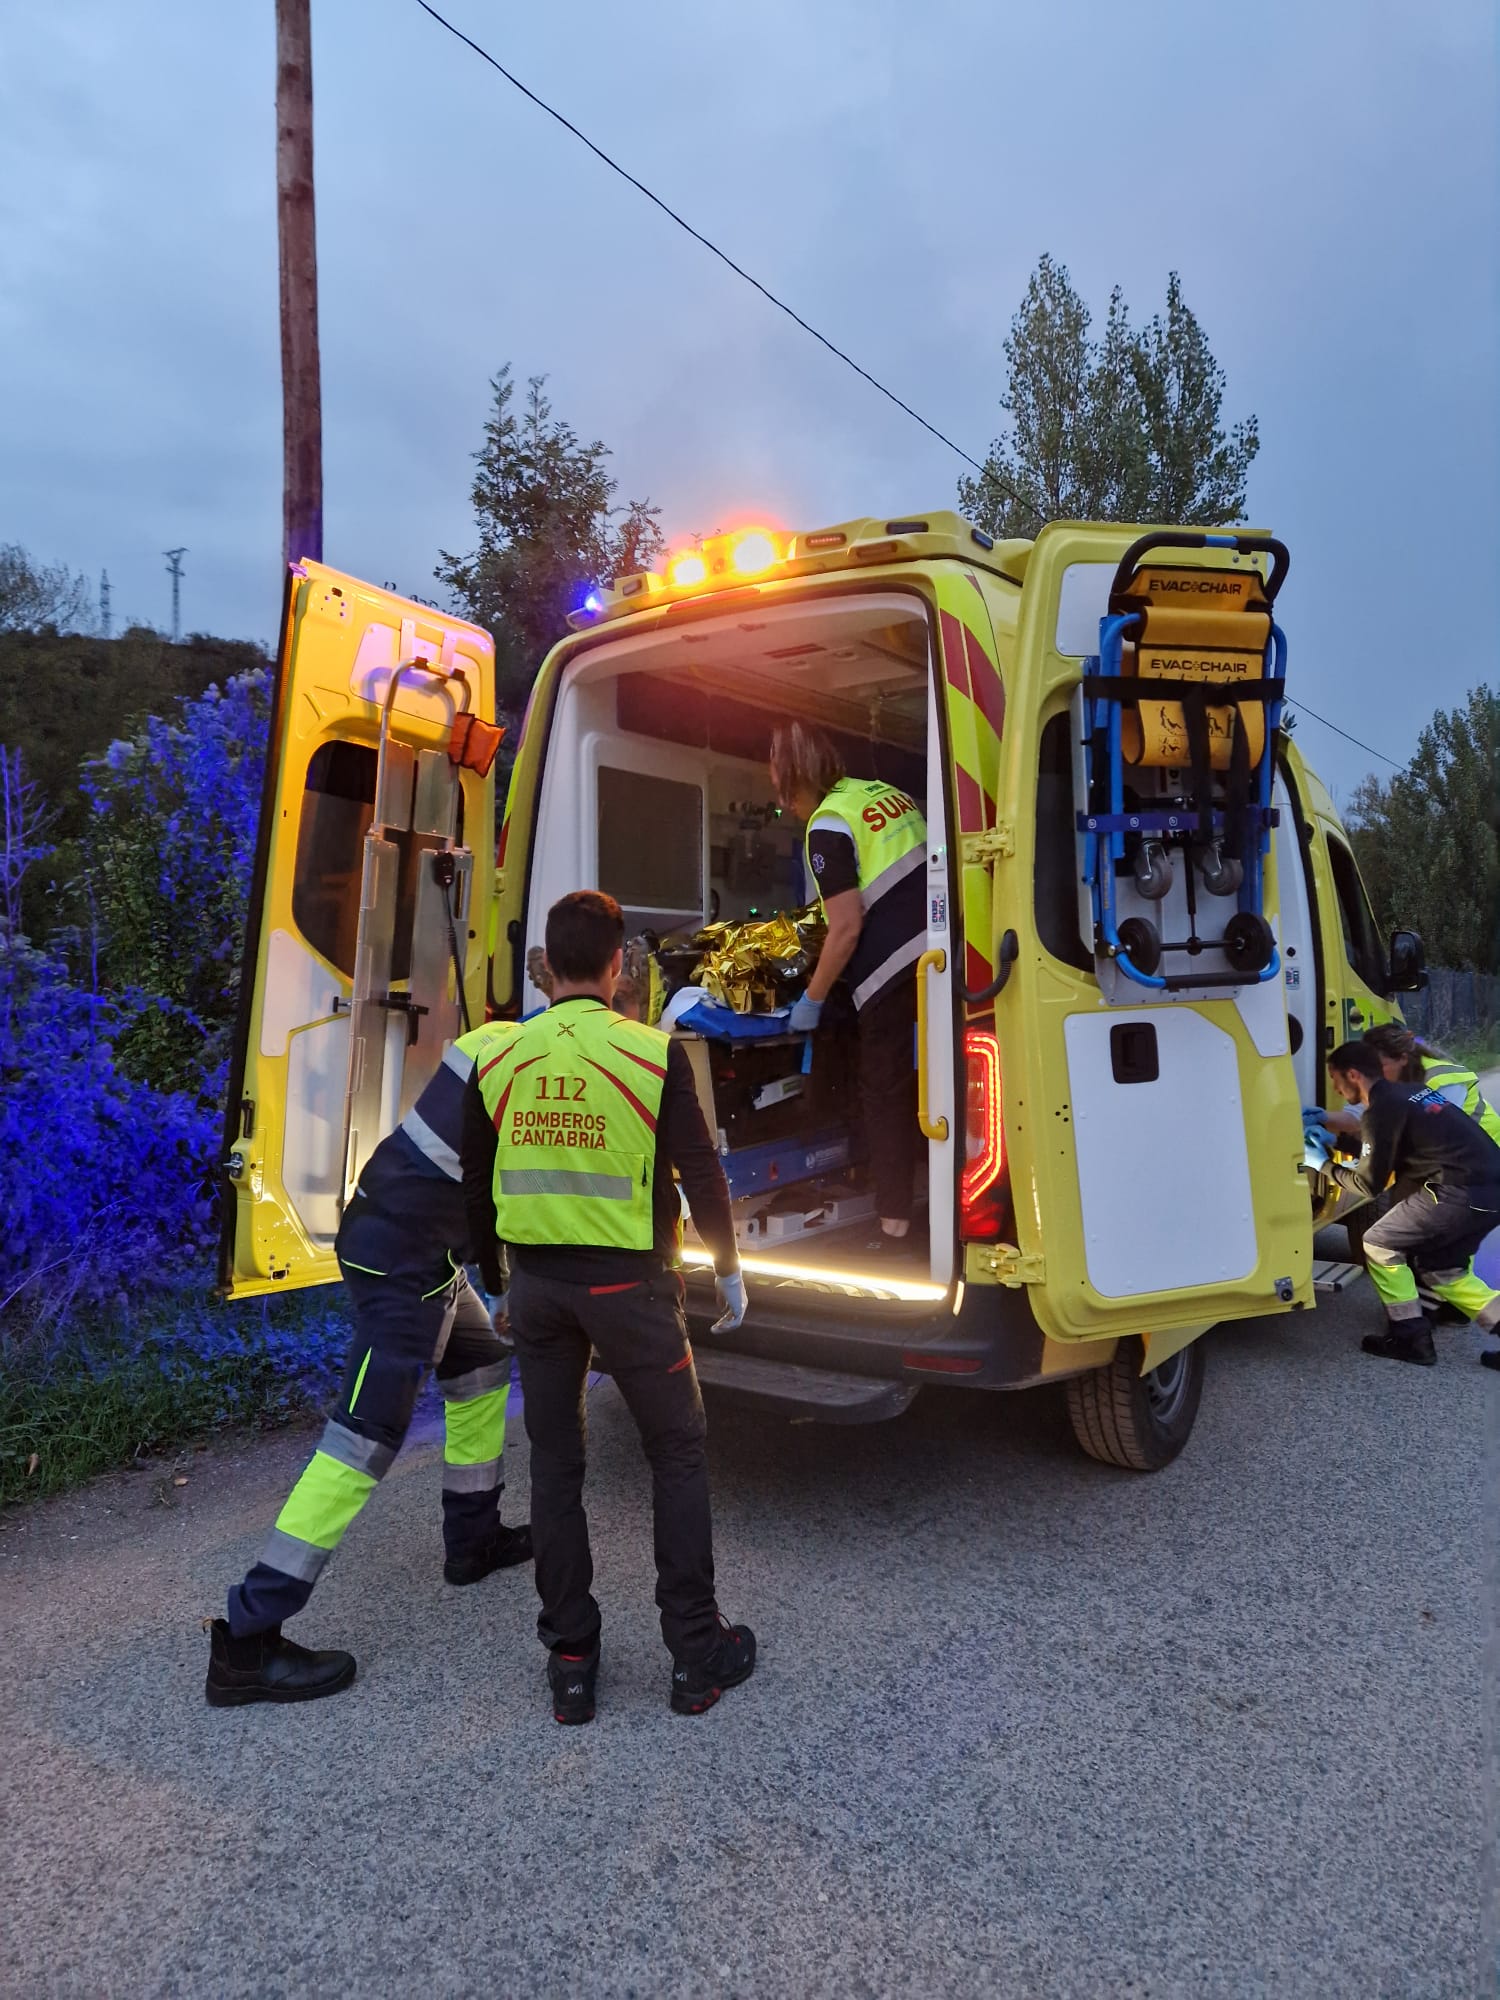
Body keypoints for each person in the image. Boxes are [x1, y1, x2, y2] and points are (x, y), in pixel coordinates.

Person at [463, 890, 754, 1726]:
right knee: (677, 1452)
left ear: (548, 966)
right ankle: (696, 1655)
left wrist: (492, 1280)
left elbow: (476, 1185)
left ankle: (572, 1662)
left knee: (555, 1467)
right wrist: (729, 1272)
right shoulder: (651, 1056)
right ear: (622, 965)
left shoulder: (501, 1059)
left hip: (540, 1292)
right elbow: (702, 1174)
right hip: (631, 1291)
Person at [206, 1022, 533, 1707]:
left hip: (420, 1248)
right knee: (364, 1441)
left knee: (480, 1366)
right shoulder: (537, 1080)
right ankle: (246, 1638)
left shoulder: (499, 1041)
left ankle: (472, 1541)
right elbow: (507, 1204)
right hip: (402, 1261)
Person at [769, 723, 927, 1255]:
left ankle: (894, 1227)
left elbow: (846, 927)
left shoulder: (827, 824)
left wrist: (812, 999)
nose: (784, 804)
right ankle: (929, 1193)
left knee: (882, 1090)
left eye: (785, 790)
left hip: (889, 968)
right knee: (936, 1082)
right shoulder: (882, 796)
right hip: (942, 957)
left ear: (800, 780)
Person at [1323, 1039, 1500, 1367]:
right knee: (1443, 1269)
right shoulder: (1410, 1093)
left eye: (1334, 1079)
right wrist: (1337, 1140)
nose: (1334, 1087)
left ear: (1352, 1075)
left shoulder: (1381, 1109)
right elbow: (1389, 1150)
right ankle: (1417, 1334)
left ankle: (1409, 1337)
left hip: (1458, 1192)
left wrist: (1321, 1163)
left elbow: (1367, 1183)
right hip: (1489, 1191)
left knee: (1377, 1243)